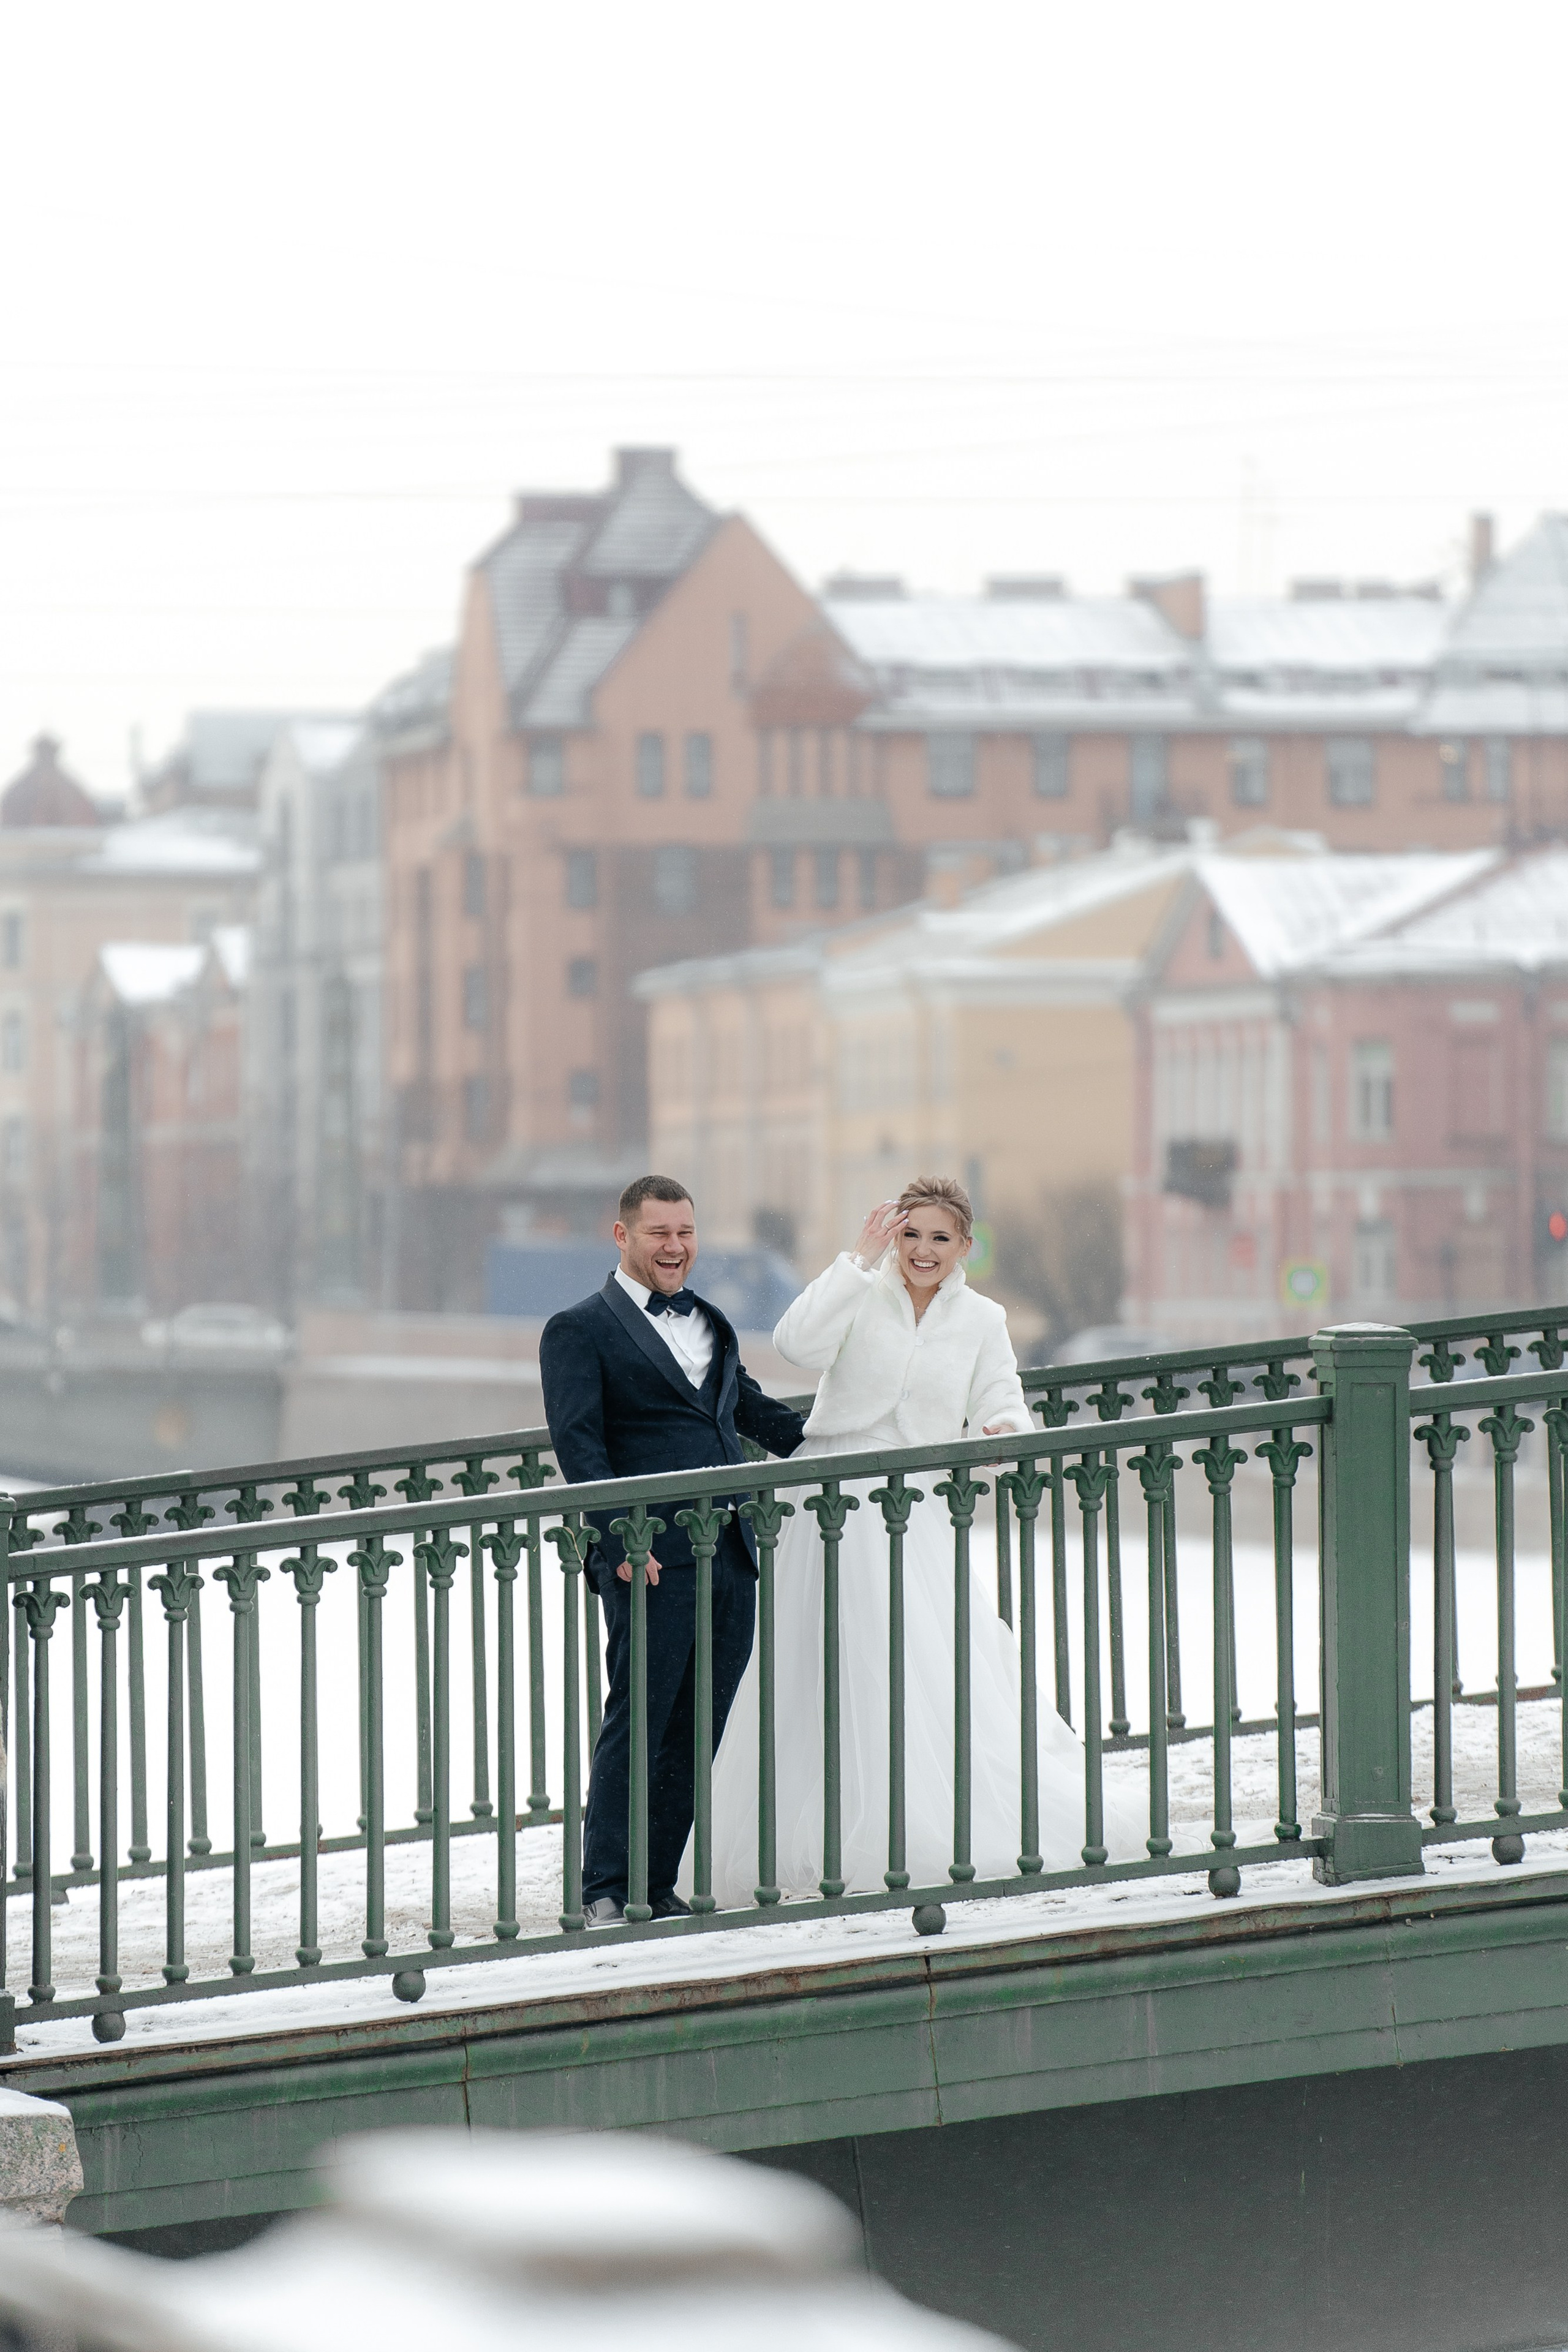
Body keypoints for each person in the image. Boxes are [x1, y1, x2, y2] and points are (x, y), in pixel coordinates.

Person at [699, 1176, 1145, 1905]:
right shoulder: (861, 1292)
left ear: (965, 1246)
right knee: (818, 1660)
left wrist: (1002, 1432)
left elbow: (1002, 1398)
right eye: (910, 1236)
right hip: (832, 1500)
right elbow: (793, 1343)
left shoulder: (982, 1319)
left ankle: (912, 1824)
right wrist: (855, 1258)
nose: (922, 1251)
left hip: (917, 1507)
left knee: (916, 1656)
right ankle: (806, 1832)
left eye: (940, 1238)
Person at [540, 1175, 805, 1925]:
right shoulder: (576, 1329)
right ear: (621, 1236)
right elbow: (581, 1449)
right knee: (639, 1716)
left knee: (701, 1724)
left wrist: (859, 1433)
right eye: (659, 1233)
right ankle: (604, 1886)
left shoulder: (713, 1323)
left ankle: (655, 1885)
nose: (675, 1248)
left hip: (730, 1550)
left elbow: (752, 1414)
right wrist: (621, 1536)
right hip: (647, 1554)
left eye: (685, 1233)